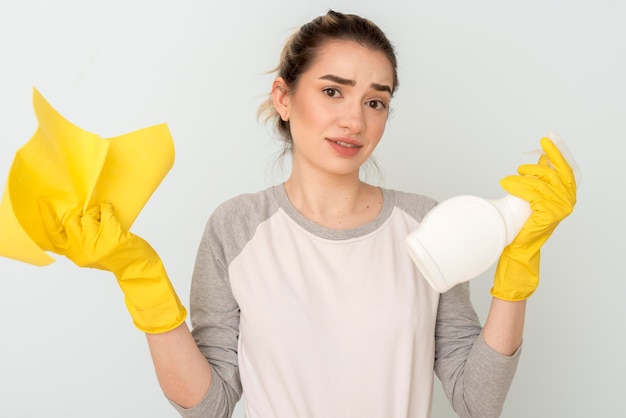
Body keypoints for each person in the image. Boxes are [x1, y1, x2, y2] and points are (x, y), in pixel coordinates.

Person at [38, 10, 577, 418]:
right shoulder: (237, 227)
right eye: (331, 91)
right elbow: (209, 404)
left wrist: (516, 268)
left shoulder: (426, 222)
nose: (354, 120)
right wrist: (143, 279)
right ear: (284, 97)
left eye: (375, 101)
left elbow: (476, 399)